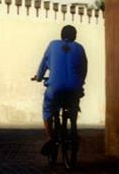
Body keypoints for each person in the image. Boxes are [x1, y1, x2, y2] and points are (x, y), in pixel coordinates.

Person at [31, 25, 88, 155]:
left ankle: (52, 138)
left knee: (47, 111)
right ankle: (73, 128)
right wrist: (80, 83)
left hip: (55, 89)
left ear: (61, 35)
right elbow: (84, 69)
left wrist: (39, 77)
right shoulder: (79, 48)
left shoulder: (52, 45)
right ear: (75, 36)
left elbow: (43, 65)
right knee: (73, 106)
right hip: (74, 88)